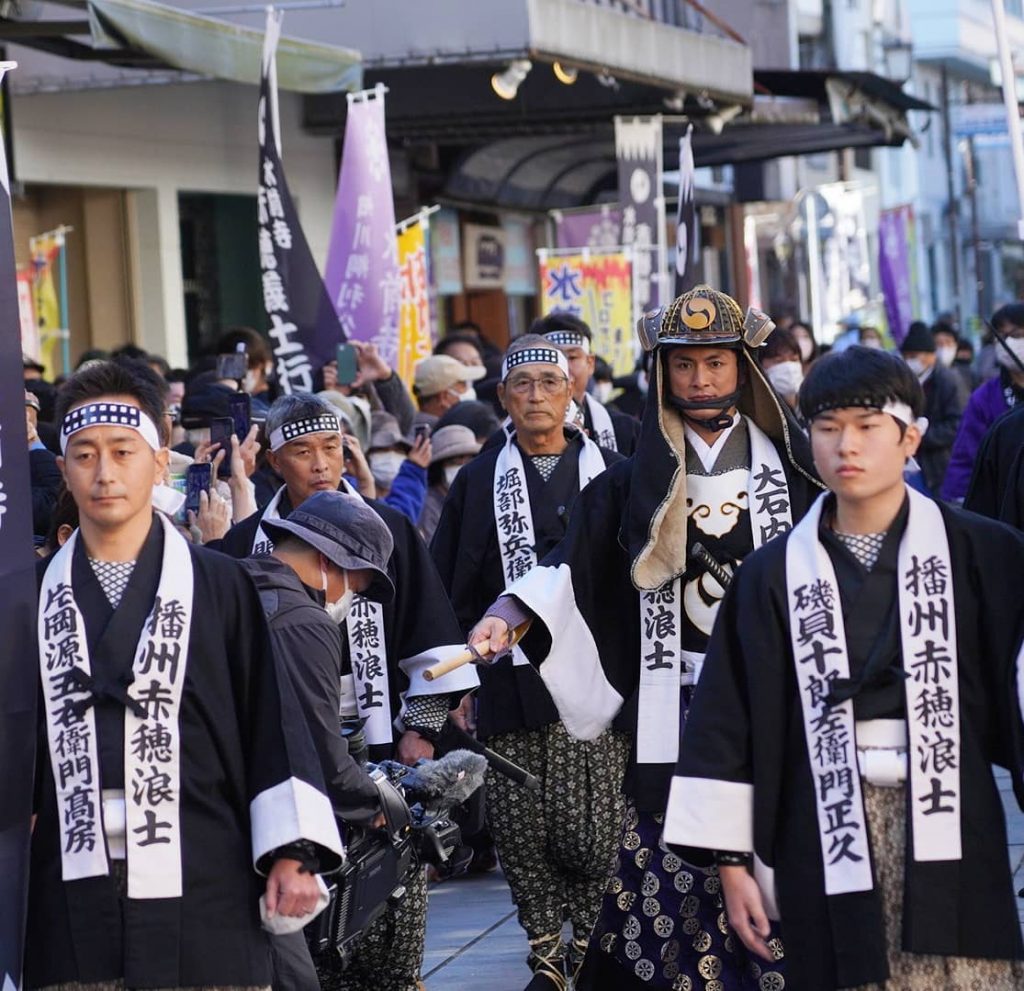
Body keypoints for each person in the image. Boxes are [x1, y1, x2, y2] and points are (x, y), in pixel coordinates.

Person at [468, 287, 822, 991]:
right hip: (678, 701)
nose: (699, 381)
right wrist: (510, 612)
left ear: (743, 370)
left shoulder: (798, 472)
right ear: (663, 373)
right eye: (684, 366)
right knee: (669, 870)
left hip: (780, 699)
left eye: (716, 364)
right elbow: (569, 570)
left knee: (787, 853)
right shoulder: (631, 484)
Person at [665, 346, 1024, 991]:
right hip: (819, 821)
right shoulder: (769, 575)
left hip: (953, 814)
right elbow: (726, 723)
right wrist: (731, 864)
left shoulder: (986, 554)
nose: (845, 447)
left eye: (866, 426)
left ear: (910, 436)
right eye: (827, 428)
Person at [27, 359, 342, 990]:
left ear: (159, 458)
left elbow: (270, 721)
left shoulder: (222, 585)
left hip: (205, 868)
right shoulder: (27, 598)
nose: (105, 471)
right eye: (84, 455)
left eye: (123, 451)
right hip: (68, 877)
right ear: (62, 468)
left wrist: (290, 851)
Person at [217, 393, 478, 991]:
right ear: (272, 462)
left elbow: (433, 643)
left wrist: (421, 732)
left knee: (390, 896)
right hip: (278, 749)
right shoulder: (239, 544)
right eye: (301, 451)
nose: (319, 464)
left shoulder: (388, 528)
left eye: (330, 448)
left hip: (377, 736)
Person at [431, 334, 628, 990]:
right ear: (502, 397)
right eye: (524, 384)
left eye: (551, 381)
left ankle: (587, 942)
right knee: (521, 830)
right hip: (507, 682)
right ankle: (549, 952)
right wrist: (457, 673)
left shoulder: (612, 469)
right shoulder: (481, 478)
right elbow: (449, 579)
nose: (538, 395)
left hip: (594, 678)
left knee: (587, 833)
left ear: (572, 388)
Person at [242, 490, 395, 991]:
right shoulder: (304, 622)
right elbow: (315, 744)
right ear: (330, 562)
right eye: (358, 581)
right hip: (264, 828)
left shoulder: (230, 584)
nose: (350, 595)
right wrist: (373, 799)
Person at [942, 303, 1024, 502]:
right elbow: (966, 457)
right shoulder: (984, 398)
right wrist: (957, 501)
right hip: (1006, 508)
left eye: (1017, 335)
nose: (1009, 343)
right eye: (1002, 337)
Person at [534, 312, 641, 455]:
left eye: (572, 357)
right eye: (554, 359)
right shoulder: (515, 437)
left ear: (590, 363)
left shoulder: (627, 431)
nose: (564, 370)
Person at [898, 321, 963, 496]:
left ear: (931, 356)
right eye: (907, 356)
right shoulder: (902, 380)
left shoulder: (948, 381)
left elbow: (957, 424)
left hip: (940, 463)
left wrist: (921, 435)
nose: (910, 360)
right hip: (909, 463)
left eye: (915, 356)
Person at [418, 424, 481, 543]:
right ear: (439, 468)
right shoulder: (428, 505)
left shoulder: (481, 498)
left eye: (470, 460)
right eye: (454, 462)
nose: (463, 467)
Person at [366, 411, 430, 524]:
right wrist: (413, 471)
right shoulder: (354, 488)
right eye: (382, 450)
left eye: (398, 450)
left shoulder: (422, 494)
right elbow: (397, 523)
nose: (391, 456)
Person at [412, 354, 486, 427]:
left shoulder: (409, 427)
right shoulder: (444, 435)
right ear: (444, 397)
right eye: (463, 384)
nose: (469, 389)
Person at [759, 326, 804, 412]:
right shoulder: (760, 412)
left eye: (794, 359)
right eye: (778, 361)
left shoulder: (810, 403)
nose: (788, 367)